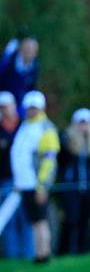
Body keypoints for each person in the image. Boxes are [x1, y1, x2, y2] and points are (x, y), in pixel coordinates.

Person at [10, 90, 59, 263]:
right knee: (34, 221)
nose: (31, 111)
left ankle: (44, 253)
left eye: (35, 108)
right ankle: (38, 253)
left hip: (36, 184)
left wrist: (43, 185)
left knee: (41, 220)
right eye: (29, 108)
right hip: (23, 183)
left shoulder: (46, 128)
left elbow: (49, 161)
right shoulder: (25, 126)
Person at [58, 108, 90, 254]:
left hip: (89, 187)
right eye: (80, 123)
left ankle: (83, 251)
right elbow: (61, 162)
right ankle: (64, 251)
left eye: (86, 123)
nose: (83, 126)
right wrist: (71, 144)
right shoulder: (66, 140)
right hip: (71, 187)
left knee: (85, 221)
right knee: (71, 219)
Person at [0, 91, 34, 258]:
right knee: (9, 221)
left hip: (26, 179)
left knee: (27, 219)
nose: (4, 110)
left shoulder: (25, 125)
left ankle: (28, 256)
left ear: (14, 106)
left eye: (6, 106)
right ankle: (13, 257)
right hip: (5, 180)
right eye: (2, 107)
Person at [0, 37, 39, 112]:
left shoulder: (35, 67)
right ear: (21, 49)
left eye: (32, 50)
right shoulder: (9, 62)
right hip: (5, 98)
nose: (29, 52)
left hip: (21, 103)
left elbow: (31, 88)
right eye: (27, 48)